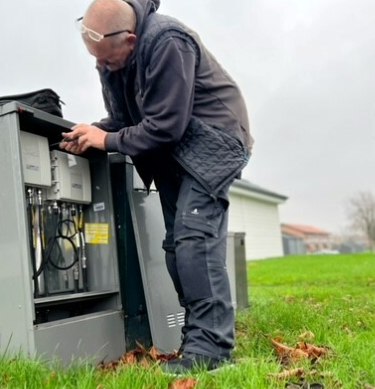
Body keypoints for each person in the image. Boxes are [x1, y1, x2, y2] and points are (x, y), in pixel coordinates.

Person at [60, 0, 253, 373]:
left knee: (195, 242)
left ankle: (211, 352)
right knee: (175, 248)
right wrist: (90, 133)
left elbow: (166, 125)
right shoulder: (109, 60)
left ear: (130, 41)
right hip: (174, 152)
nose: (101, 66)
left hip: (214, 143)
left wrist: (107, 140)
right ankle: (198, 337)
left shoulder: (167, 40)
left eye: (108, 60)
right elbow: (122, 120)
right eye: (95, 59)